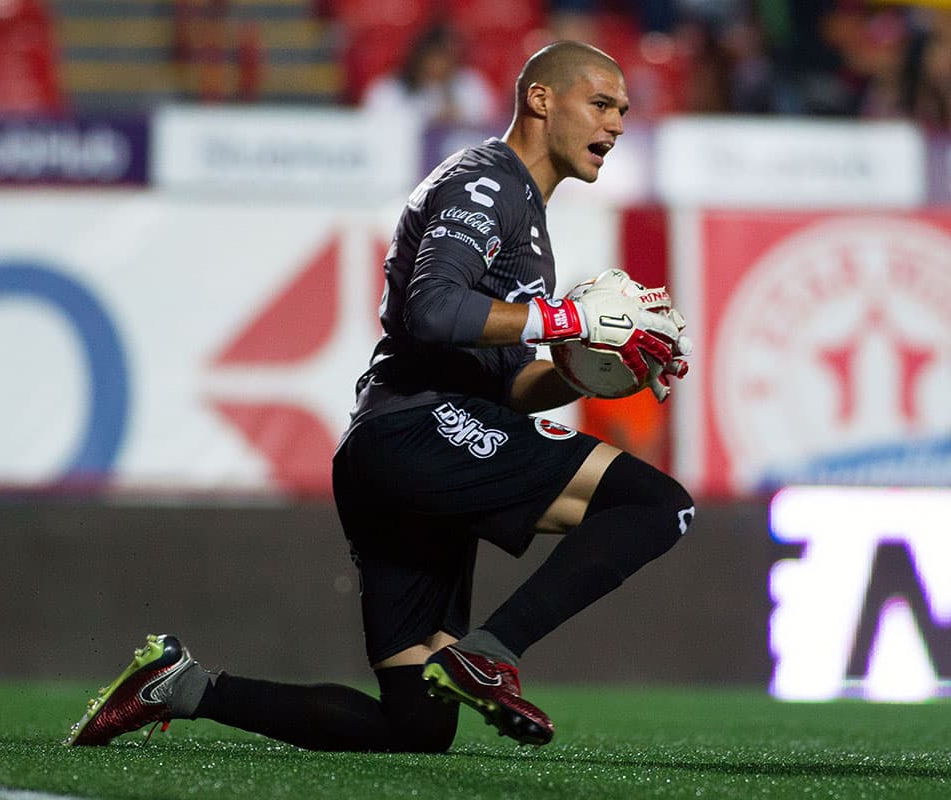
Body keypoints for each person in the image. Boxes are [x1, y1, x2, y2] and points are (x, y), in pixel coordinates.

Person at [66, 40, 695, 753]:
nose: (615, 124)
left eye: (623, 110)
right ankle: (493, 653)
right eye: (601, 103)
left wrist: (596, 366)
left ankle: (180, 686)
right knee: (657, 504)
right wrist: (570, 320)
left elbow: (507, 386)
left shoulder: (522, 210)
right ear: (541, 99)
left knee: (416, 725)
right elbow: (432, 309)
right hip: (416, 432)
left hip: (407, 447)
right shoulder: (486, 185)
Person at [361, 21, 499, 126]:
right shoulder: (390, 88)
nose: (437, 66)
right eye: (432, 59)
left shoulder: (470, 83)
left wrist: (457, 115)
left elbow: (490, 123)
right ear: (418, 59)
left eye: (443, 59)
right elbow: (376, 124)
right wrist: (426, 120)